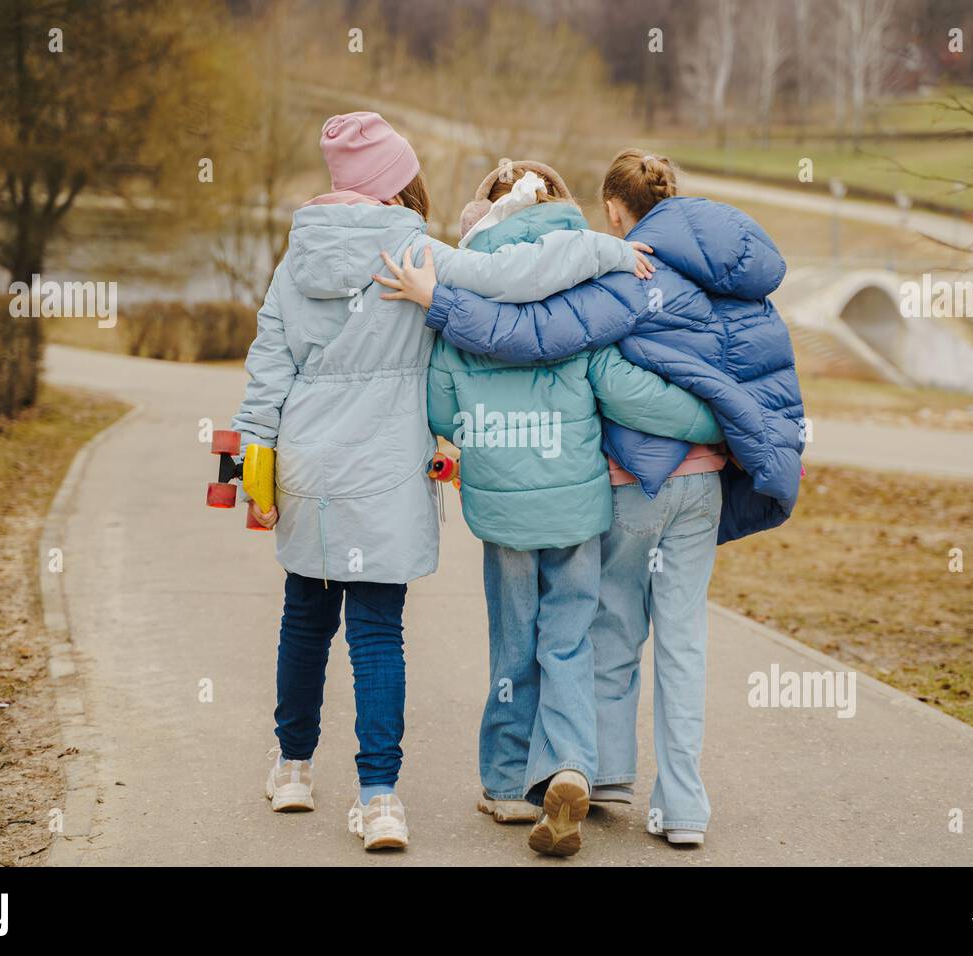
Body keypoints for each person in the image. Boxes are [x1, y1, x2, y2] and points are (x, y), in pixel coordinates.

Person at [230, 116, 655, 852]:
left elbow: (268, 370)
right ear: (395, 181)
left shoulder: (296, 259)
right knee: (375, 630)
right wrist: (608, 249)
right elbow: (515, 275)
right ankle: (380, 798)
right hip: (384, 468)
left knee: (304, 617)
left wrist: (253, 466)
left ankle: (293, 768)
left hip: (307, 464)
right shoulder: (414, 250)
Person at [378, 148, 804, 847]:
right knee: (633, 639)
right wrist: (732, 433)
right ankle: (652, 796)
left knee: (558, 634)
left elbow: (486, 380)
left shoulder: (596, 276)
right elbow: (730, 376)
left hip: (593, 490)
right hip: (661, 491)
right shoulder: (723, 275)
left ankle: (553, 779)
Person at [419, 161, 723, 857]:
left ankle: (504, 786)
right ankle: (569, 765)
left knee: (512, 642)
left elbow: (438, 405)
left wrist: (477, 437)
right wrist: (721, 425)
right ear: (562, 213)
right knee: (568, 640)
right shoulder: (584, 294)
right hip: (580, 508)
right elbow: (624, 391)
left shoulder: (463, 293)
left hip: (503, 514)